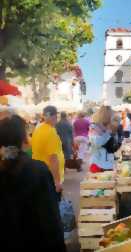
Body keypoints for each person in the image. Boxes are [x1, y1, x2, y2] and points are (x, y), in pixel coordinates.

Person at [0, 115, 66, 252]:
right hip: (38, 242)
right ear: (23, 139)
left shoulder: (7, 165)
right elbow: (51, 219)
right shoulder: (37, 170)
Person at [32, 106, 65, 195]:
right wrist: (57, 182)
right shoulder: (50, 131)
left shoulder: (38, 129)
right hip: (49, 176)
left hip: (40, 173)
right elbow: (53, 158)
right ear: (54, 117)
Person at [89, 106, 116, 173]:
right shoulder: (94, 127)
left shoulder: (105, 128)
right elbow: (97, 143)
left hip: (106, 164)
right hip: (99, 165)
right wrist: (107, 132)